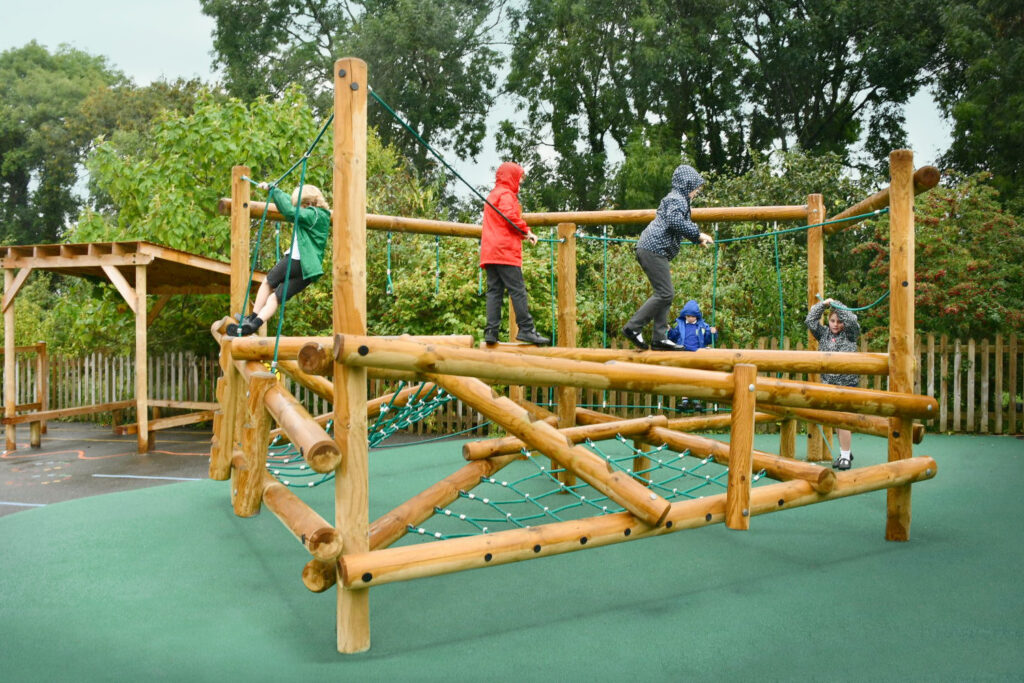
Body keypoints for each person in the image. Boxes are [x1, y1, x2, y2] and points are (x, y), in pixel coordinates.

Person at [622, 164, 713, 351]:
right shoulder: (677, 199)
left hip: (652, 249)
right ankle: (633, 327)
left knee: (664, 293)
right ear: (687, 185)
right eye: (695, 187)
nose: (696, 191)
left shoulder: (677, 199)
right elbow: (675, 221)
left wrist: (696, 240)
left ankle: (660, 338)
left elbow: (678, 223)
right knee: (665, 293)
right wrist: (698, 235)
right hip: (653, 249)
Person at [227, 182, 331, 337]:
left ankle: (252, 317)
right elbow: (290, 204)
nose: (298, 209)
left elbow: (290, 211)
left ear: (309, 204)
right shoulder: (322, 216)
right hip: (308, 271)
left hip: (296, 260)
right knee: (275, 298)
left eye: (300, 205)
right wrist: (277, 191)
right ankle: (254, 325)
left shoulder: (311, 214)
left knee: (268, 282)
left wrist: (273, 191)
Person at [480, 162, 550, 346]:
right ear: (512, 178)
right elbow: (509, 216)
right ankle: (526, 329)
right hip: (505, 251)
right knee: (517, 290)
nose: (520, 183)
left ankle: (491, 332)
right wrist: (527, 232)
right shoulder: (506, 195)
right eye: (519, 179)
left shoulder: (492, 195)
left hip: (490, 252)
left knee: (494, 291)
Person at [804, 297, 861, 470]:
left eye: (839, 322)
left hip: (847, 384)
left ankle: (845, 456)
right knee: (837, 420)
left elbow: (852, 319)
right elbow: (810, 320)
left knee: (842, 418)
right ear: (828, 321)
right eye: (832, 321)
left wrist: (836, 305)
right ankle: (845, 452)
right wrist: (823, 304)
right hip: (829, 383)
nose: (836, 325)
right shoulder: (823, 334)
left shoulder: (850, 334)